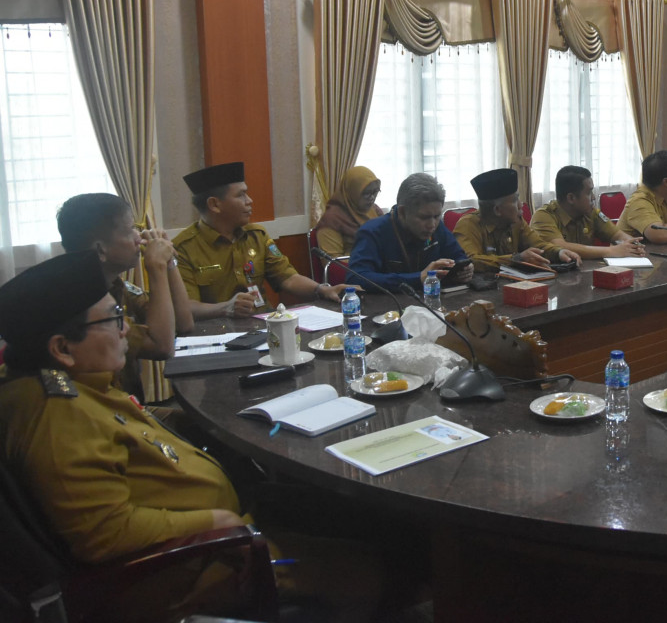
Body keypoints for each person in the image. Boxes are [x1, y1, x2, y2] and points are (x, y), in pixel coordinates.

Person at [0, 252, 400, 622]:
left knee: (351, 513)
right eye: (112, 318)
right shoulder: (57, 415)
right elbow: (104, 534)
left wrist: (189, 421)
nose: (126, 329)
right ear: (62, 349)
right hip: (190, 571)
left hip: (217, 542)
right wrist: (219, 521)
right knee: (367, 566)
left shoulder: (76, 385)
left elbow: (120, 423)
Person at [56, 193, 194, 398]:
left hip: (128, 409)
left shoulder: (118, 286)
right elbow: (162, 346)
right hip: (103, 416)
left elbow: (184, 323)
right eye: (130, 230)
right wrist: (155, 268)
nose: (139, 238)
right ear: (100, 249)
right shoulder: (85, 300)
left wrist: (169, 262)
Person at [173, 162, 344, 318]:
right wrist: (225, 308)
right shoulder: (183, 248)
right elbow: (186, 307)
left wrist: (322, 290)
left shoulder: (256, 235)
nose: (250, 201)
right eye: (241, 195)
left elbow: (287, 278)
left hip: (263, 323)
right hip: (216, 333)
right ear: (214, 205)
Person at [348, 172, 473, 291]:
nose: (432, 225)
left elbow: (458, 258)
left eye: (436, 216)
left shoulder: (437, 226)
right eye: (424, 217)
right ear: (402, 212)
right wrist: (417, 279)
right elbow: (356, 278)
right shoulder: (372, 232)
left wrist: (464, 270)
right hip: (388, 309)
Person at [452, 168, 580, 273]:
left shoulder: (516, 221)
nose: (521, 205)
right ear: (497, 210)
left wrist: (559, 252)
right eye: (515, 200)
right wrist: (515, 259)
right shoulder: (468, 225)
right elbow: (470, 261)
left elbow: (538, 246)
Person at [530, 166, 647, 260]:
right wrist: (611, 251)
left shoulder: (591, 214)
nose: (593, 198)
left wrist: (633, 245)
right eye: (589, 193)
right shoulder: (543, 216)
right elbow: (560, 246)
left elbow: (618, 235)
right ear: (571, 198)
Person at [313, 166, 383, 256]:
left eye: (375, 192)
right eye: (367, 193)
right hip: (355, 268)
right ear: (352, 192)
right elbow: (333, 263)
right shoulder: (331, 219)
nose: (372, 197)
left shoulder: (374, 210)